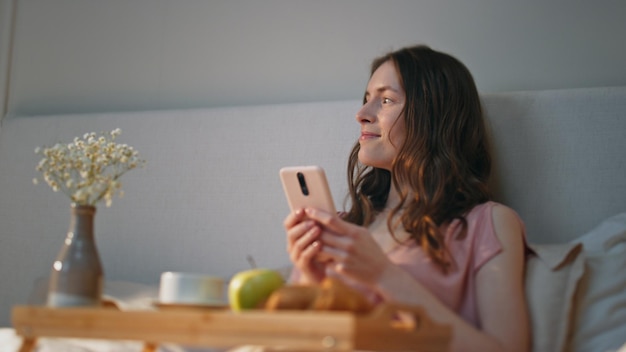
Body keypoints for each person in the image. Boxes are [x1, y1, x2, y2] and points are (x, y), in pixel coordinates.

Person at [283, 45, 530, 352]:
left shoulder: (487, 224)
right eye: (366, 99)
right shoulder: (343, 227)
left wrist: (383, 275)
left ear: (433, 115)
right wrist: (309, 281)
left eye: (385, 100)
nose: (361, 115)